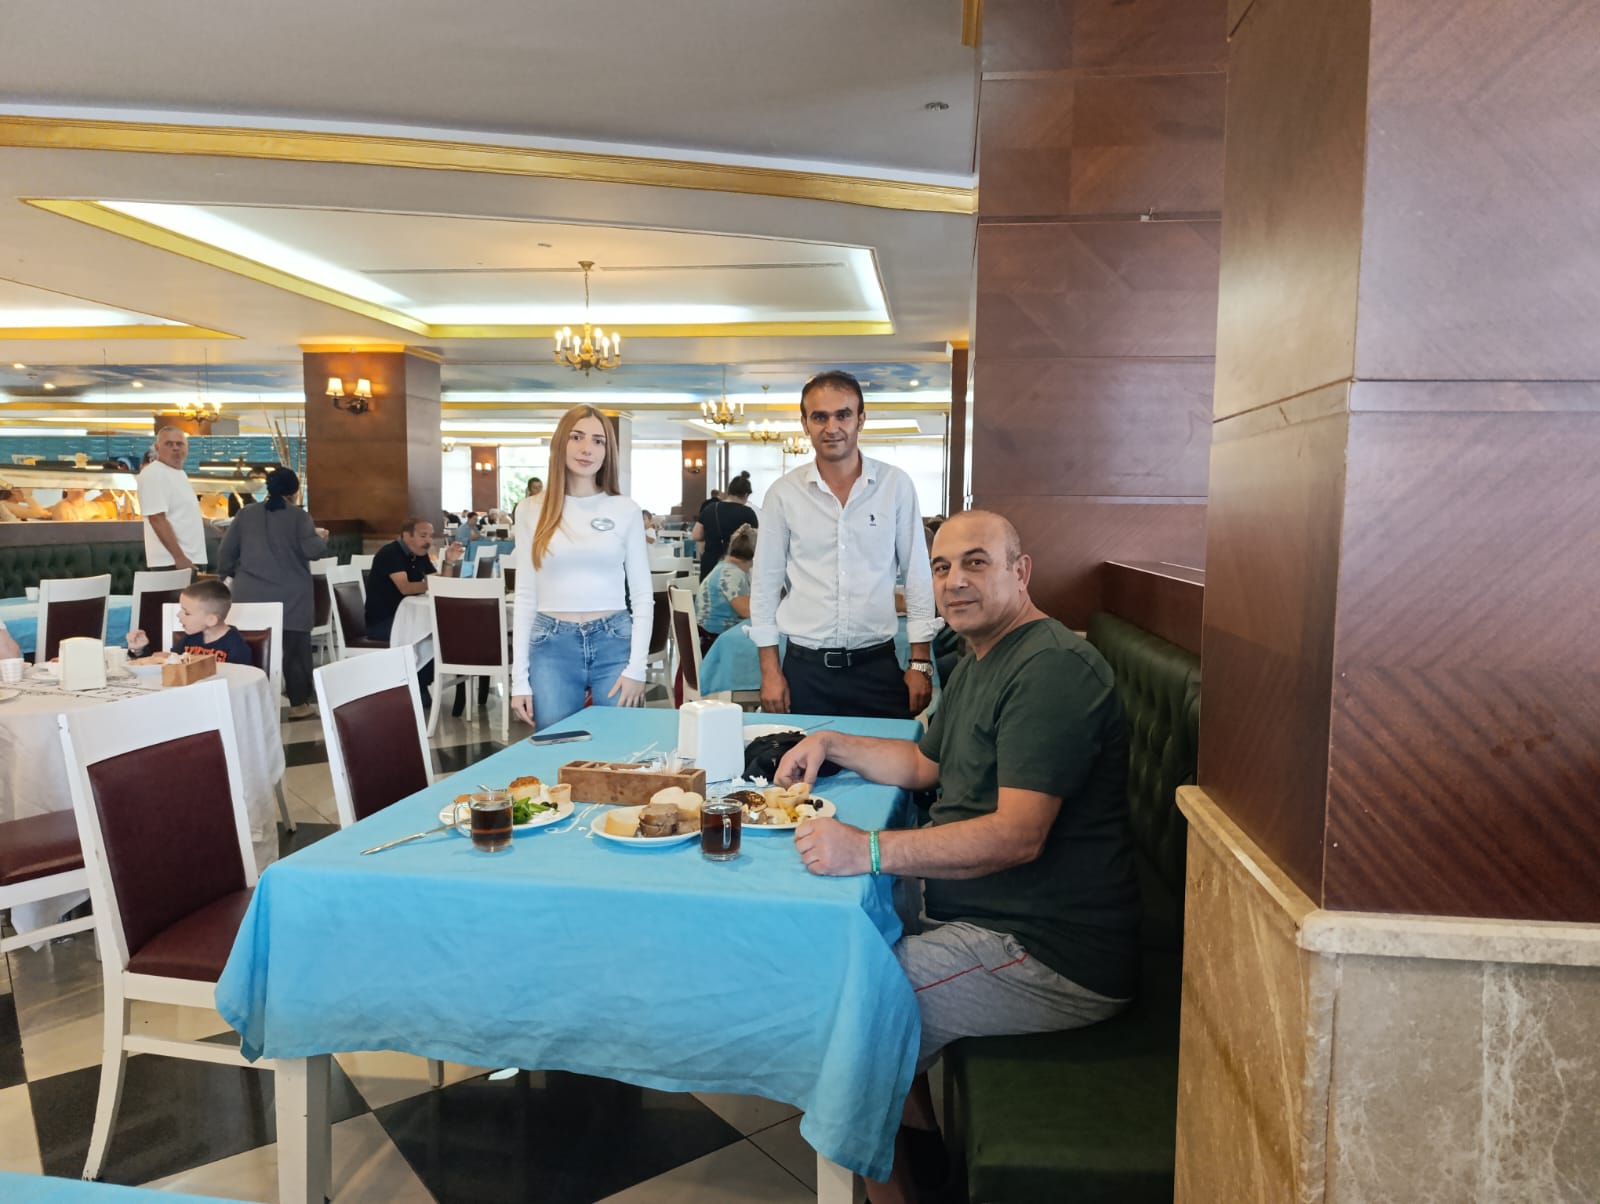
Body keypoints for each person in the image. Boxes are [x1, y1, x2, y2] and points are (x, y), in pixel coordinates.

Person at [777, 510, 1140, 1204]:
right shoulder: (981, 656)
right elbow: (924, 764)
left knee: (845, 1007)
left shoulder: (1050, 670)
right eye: (941, 568)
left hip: (1049, 951)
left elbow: (1017, 836)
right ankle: (924, 1162)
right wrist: (828, 741)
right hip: (985, 914)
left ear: (1020, 572)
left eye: (976, 562)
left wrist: (868, 849)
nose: (954, 582)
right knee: (846, 944)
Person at [749, 370, 937, 720]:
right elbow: (764, 585)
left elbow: (917, 575)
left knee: (892, 755)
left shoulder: (895, 486)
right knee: (801, 757)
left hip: (877, 666)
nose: (831, 427)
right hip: (804, 670)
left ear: (860, 420)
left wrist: (920, 662)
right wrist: (770, 671)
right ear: (805, 424)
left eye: (843, 415)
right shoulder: (783, 494)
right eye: (819, 417)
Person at [510, 405, 652, 732]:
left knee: (618, 746)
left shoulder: (625, 509)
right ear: (561, 443)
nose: (587, 448)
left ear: (607, 451)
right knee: (557, 747)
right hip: (551, 645)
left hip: (614, 640)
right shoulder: (530, 510)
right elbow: (525, 596)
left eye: (598, 441)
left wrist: (637, 669)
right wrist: (519, 680)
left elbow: (643, 597)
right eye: (577, 437)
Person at [216, 467, 331, 719]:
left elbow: (226, 552)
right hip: (291, 596)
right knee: (294, 651)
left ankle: (250, 702)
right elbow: (313, 551)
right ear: (294, 491)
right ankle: (299, 705)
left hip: (248, 596)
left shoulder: (245, 514)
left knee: (251, 647)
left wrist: (227, 575)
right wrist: (322, 538)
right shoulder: (299, 517)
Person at [365, 517, 465, 642]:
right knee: (440, 632)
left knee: (449, 626)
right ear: (407, 536)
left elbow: (441, 585)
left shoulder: (420, 554)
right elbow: (405, 588)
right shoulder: (390, 553)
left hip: (409, 618)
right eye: (423, 536)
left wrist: (449, 562)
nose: (429, 541)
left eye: (431, 536)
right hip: (384, 623)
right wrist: (434, 584)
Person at [126, 578, 256, 668]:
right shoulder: (190, 638)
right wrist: (139, 650)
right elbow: (164, 668)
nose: (179, 615)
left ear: (211, 620)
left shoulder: (236, 646)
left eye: (187, 613)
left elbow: (238, 681)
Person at [138, 426, 206, 570]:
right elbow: (157, 519)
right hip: (170, 562)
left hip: (190, 558)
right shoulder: (153, 473)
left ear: (187, 448)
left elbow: (182, 515)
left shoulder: (179, 474)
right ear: (157, 448)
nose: (175, 448)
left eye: (179, 444)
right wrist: (179, 557)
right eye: (169, 444)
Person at [692, 474, 758, 579]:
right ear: (746, 494)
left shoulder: (710, 508)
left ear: (729, 491)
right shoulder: (748, 513)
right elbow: (755, 541)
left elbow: (696, 535)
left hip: (710, 563)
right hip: (736, 565)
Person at [695, 522, 756, 635]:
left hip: (709, 631)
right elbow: (747, 611)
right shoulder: (732, 574)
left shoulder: (726, 567)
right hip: (715, 635)